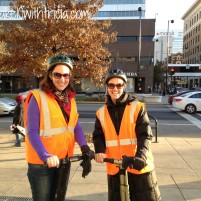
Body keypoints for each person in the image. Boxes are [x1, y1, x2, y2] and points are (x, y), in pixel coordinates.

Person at [24, 54, 94, 201]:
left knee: (58, 198)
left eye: (66, 75)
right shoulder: (38, 97)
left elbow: (75, 127)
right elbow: (31, 132)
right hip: (41, 162)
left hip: (63, 160)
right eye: (57, 75)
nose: (62, 79)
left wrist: (84, 147)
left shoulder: (70, 100)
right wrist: (46, 155)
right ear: (49, 75)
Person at [93, 69, 161, 201]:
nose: (115, 88)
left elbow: (145, 135)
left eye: (119, 85)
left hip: (137, 165)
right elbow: (98, 136)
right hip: (115, 167)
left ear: (124, 86)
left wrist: (141, 157)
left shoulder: (137, 107)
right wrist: (100, 151)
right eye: (111, 85)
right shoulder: (101, 112)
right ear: (107, 87)